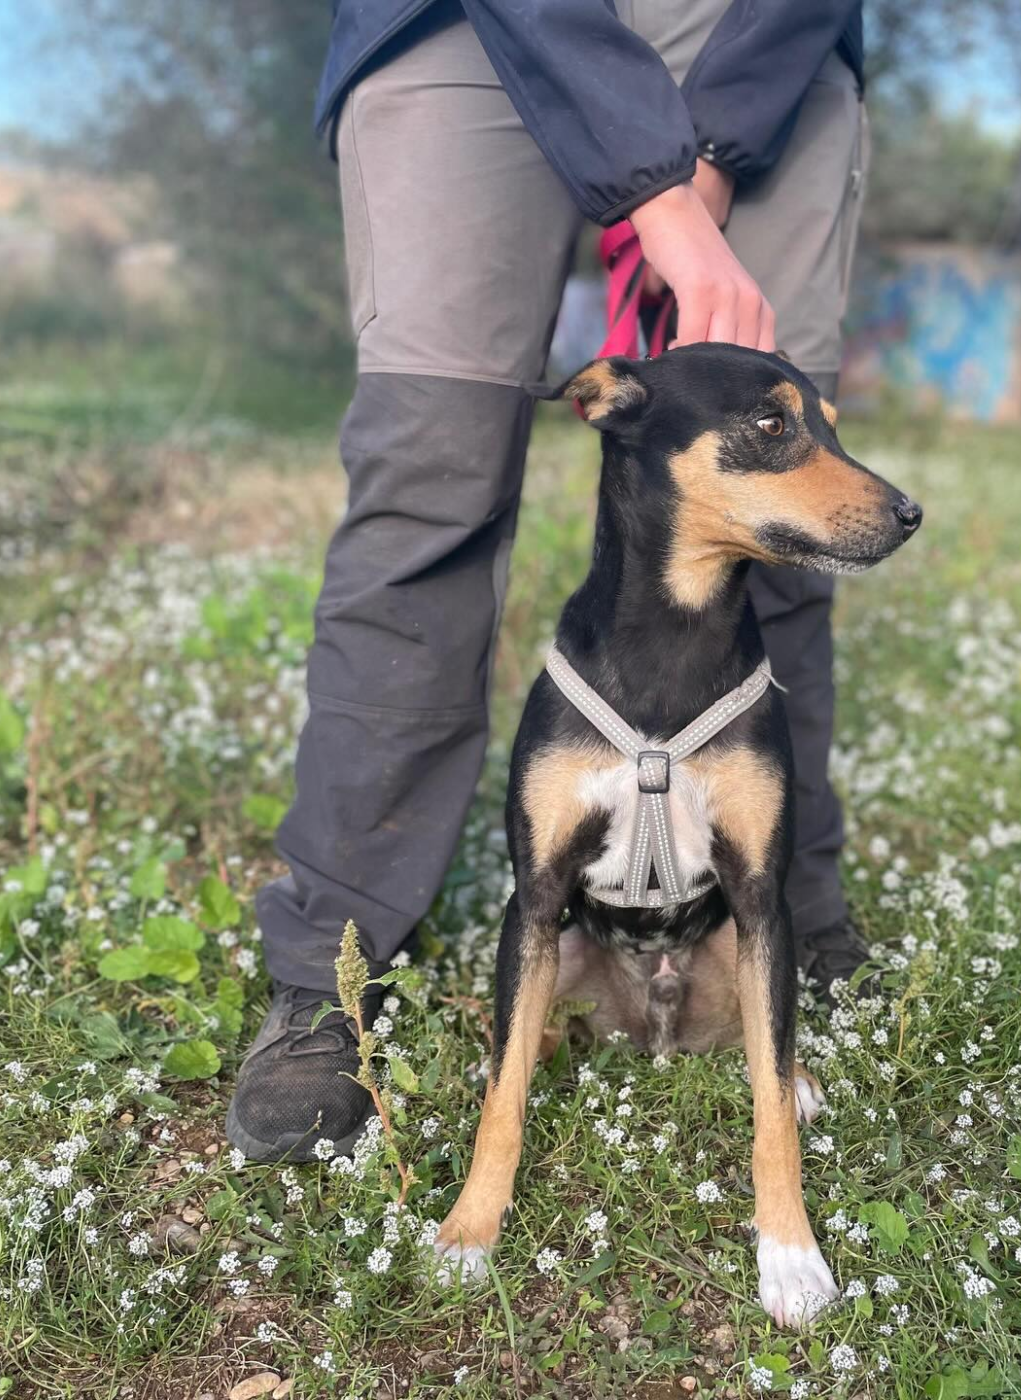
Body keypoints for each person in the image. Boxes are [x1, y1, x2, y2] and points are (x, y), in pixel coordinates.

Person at [226, 0, 871, 1163]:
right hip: (467, 25)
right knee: (428, 480)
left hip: (758, 39)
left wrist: (719, 143)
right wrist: (656, 190)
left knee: (777, 510)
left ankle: (787, 918)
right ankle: (334, 963)